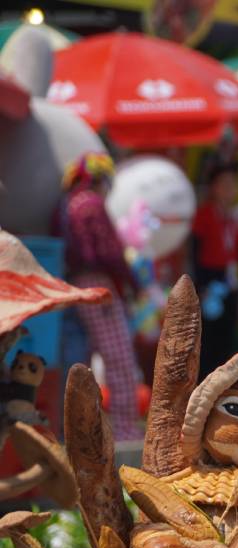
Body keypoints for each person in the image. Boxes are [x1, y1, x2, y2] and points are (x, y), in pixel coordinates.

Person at [56, 152, 144, 440]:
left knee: (77, 362)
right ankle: (124, 430)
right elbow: (109, 252)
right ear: (99, 178)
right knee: (119, 360)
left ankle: (75, 432)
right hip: (97, 285)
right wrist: (133, 281)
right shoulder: (91, 204)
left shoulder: (65, 205)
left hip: (71, 288)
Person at [190, 160, 238, 378]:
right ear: (214, 187)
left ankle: (222, 388)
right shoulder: (205, 214)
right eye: (225, 184)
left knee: (226, 337)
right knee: (208, 339)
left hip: (229, 280)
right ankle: (203, 386)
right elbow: (195, 251)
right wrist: (200, 285)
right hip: (209, 280)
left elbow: (237, 252)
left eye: (233, 184)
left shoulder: (234, 217)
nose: (230, 189)